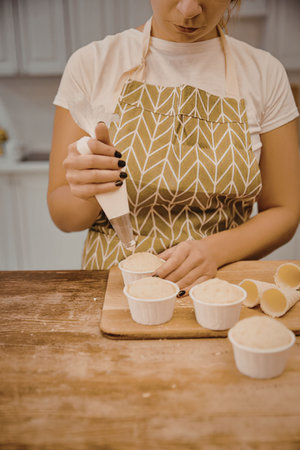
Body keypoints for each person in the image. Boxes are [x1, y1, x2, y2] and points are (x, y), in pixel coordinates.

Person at [48, 0, 300, 296]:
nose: (189, 9)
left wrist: (215, 251)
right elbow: (63, 216)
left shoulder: (265, 73)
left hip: (219, 291)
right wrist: (91, 187)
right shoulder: (91, 64)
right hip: (113, 290)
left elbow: (285, 210)